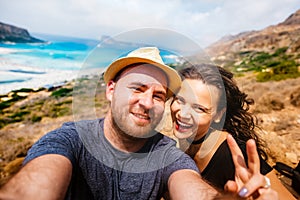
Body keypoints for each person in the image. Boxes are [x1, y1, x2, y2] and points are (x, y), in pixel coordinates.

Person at [0, 47, 219, 200]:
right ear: (111, 90)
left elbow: (189, 186)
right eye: (137, 88)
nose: (147, 102)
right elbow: (38, 183)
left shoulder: (167, 155)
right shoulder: (71, 140)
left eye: (158, 96)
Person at [170, 63, 296, 199]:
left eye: (199, 108)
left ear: (218, 115)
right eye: (180, 100)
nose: (183, 114)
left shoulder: (233, 154)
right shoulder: (187, 140)